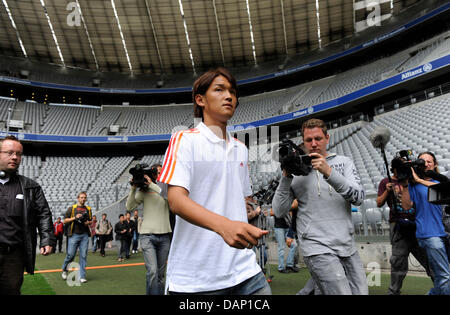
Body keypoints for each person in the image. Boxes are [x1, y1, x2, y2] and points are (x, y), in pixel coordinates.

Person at [158, 67, 271, 295]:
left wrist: (250, 211)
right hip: (197, 279)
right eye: (219, 90)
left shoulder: (241, 149)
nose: (229, 96)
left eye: (232, 91)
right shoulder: (184, 139)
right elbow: (176, 201)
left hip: (245, 270)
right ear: (200, 99)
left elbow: (242, 199)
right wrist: (225, 226)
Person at [272, 118, 368, 295]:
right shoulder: (296, 170)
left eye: (318, 139)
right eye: (309, 140)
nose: (314, 144)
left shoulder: (343, 162)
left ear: (327, 138)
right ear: (303, 142)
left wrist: (329, 172)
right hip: (315, 245)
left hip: (347, 244)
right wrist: (286, 175)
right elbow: (278, 211)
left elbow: (359, 198)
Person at [0, 135, 55, 295]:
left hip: (14, 256)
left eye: (18, 154)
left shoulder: (31, 186)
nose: (15, 157)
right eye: (9, 152)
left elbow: (43, 214)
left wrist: (46, 239)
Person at [377, 156, 432, 295]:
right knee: (398, 262)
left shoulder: (413, 179)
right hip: (398, 225)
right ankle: (393, 292)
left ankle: (442, 286)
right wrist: (387, 191)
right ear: (394, 169)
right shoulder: (386, 182)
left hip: (417, 224)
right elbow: (378, 203)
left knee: (429, 259)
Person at [400, 151, 450, 295]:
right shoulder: (414, 186)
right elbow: (407, 206)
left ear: (435, 164)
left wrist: (420, 180)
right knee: (444, 275)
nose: (426, 164)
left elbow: (443, 191)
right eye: (422, 162)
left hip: (446, 233)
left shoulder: (442, 182)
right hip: (429, 234)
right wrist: (404, 185)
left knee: (443, 276)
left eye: (429, 161)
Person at [126, 165, 172, 295]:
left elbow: (169, 198)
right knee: (152, 271)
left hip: (164, 237)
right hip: (147, 236)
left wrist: (151, 184)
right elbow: (129, 206)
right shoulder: (144, 191)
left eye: (160, 172)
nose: (158, 174)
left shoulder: (168, 189)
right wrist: (133, 189)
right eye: (156, 172)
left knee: (161, 274)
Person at [61, 191, 92, 283]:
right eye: (81, 197)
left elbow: (90, 220)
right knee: (70, 255)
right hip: (73, 235)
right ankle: (64, 270)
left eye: (84, 197)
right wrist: (75, 217)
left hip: (84, 235)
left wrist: (88, 223)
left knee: (83, 255)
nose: (83, 199)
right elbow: (65, 221)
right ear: (78, 198)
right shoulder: (72, 208)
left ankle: (82, 276)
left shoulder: (88, 209)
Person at [272, 200, 299, 273]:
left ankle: (289, 265)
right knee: (281, 248)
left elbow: (292, 214)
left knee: (294, 245)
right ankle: (281, 267)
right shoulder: (276, 201)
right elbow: (272, 212)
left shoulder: (289, 202)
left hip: (288, 226)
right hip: (279, 227)